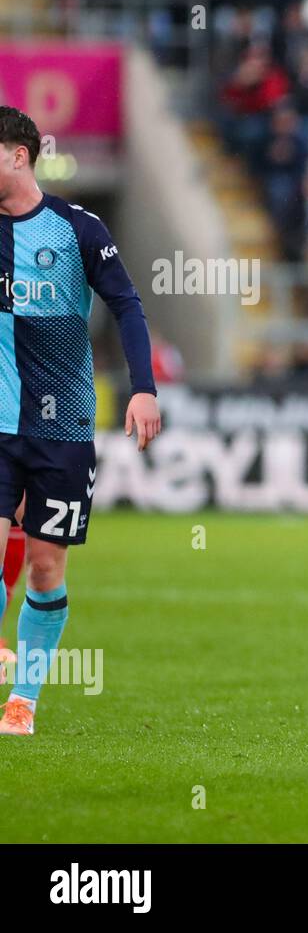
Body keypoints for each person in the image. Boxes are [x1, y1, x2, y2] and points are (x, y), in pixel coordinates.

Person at [0, 106, 162, 735]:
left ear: (20, 155)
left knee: (45, 566)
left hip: (63, 425)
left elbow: (125, 303)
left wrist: (143, 389)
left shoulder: (76, 229)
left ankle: (25, 699)